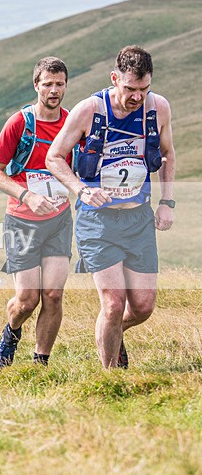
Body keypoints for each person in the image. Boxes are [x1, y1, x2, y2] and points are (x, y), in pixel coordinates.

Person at [46, 45, 175, 369]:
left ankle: (114, 333)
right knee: (114, 304)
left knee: (143, 306)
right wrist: (81, 190)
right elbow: (54, 157)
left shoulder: (158, 108)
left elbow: (168, 154)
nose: (136, 97)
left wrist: (166, 203)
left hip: (138, 218)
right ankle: (109, 379)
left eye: (143, 89)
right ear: (114, 78)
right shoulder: (89, 110)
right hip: (98, 222)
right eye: (130, 89)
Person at [0, 57, 73, 368]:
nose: (53, 90)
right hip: (22, 220)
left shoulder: (72, 123)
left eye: (59, 84)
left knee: (53, 295)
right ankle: (11, 332)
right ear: (36, 85)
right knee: (27, 300)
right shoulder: (19, 123)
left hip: (59, 220)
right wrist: (27, 196)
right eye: (47, 84)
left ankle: (41, 362)